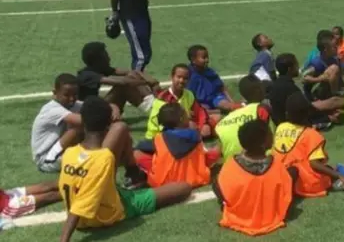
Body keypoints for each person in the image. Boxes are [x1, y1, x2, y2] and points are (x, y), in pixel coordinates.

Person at [58, 97, 191, 242]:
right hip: (105, 214)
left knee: (121, 128)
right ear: (108, 123)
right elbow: (82, 202)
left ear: (82, 121)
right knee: (184, 188)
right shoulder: (104, 158)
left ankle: (133, 174)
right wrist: (64, 239)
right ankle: (133, 178)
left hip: (93, 208)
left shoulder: (70, 152)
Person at [272, 92, 344, 198]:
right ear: (307, 113)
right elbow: (314, 163)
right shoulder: (311, 134)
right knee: (337, 168)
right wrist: (338, 175)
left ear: (287, 114)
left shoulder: (280, 128)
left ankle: (339, 183)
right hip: (307, 184)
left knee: (321, 169)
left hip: (287, 180)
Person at [213, 120, 295, 236]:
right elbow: (286, 194)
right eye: (270, 134)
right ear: (263, 143)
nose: (273, 135)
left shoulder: (231, 164)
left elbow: (220, 185)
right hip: (270, 217)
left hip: (239, 217)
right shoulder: (276, 165)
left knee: (217, 181)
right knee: (293, 172)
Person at [135, 103, 218, 188]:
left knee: (138, 154)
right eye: (186, 114)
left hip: (163, 183)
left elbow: (139, 148)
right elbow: (206, 159)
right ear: (182, 119)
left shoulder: (159, 138)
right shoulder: (196, 135)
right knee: (211, 152)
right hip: (196, 180)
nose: (188, 116)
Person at [76, 41, 158, 114]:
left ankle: (152, 103)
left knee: (131, 76)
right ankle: (153, 110)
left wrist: (149, 79)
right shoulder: (87, 75)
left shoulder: (98, 68)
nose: (109, 58)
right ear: (97, 60)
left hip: (95, 108)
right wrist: (148, 82)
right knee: (123, 87)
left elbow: (130, 72)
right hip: (88, 114)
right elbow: (122, 82)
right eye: (105, 55)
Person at [269, 53, 344, 126]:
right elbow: (306, 111)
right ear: (289, 69)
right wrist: (327, 117)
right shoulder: (290, 88)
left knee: (328, 102)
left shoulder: (277, 84)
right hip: (292, 122)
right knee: (334, 101)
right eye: (296, 65)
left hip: (283, 118)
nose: (298, 68)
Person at [145, 63, 215, 140]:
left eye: (185, 78)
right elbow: (161, 125)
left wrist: (205, 124)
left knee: (215, 119)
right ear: (172, 77)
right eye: (179, 77)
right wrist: (186, 127)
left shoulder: (189, 94)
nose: (181, 80)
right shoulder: (162, 98)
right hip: (160, 135)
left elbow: (200, 111)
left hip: (182, 127)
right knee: (192, 126)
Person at [31, 74, 84, 173]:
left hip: (63, 152)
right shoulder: (52, 109)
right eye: (67, 95)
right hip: (45, 160)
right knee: (77, 129)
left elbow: (96, 106)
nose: (72, 99)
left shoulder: (74, 105)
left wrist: (112, 107)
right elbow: (87, 120)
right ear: (55, 93)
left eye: (75, 94)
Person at [215, 75, 272, 162]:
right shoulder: (261, 109)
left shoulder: (222, 123)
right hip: (259, 162)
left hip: (231, 165)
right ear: (258, 90)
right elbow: (269, 140)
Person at [187, 44, 242, 113]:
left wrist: (232, 102)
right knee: (202, 111)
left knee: (226, 105)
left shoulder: (209, 71)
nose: (207, 60)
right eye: (203, 58)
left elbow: (222, 87)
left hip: (215, 98)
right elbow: (188, 96)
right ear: (193, 60)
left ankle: (239, 107)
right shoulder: (189, 75)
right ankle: (220, 111)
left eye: (207, 57)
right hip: (200, 102)